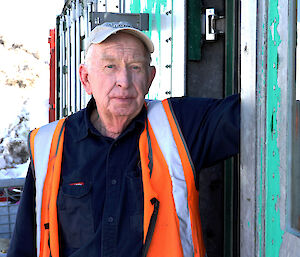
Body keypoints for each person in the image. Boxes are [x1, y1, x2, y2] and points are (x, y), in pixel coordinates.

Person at [7, 22, 240, 257]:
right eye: (110, 66)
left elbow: (258, 113)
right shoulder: (48, 145)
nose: (125, 81)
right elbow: (25, 245)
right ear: (85, 78)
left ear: (150, 78)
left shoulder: (180, 125)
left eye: (136, 67)